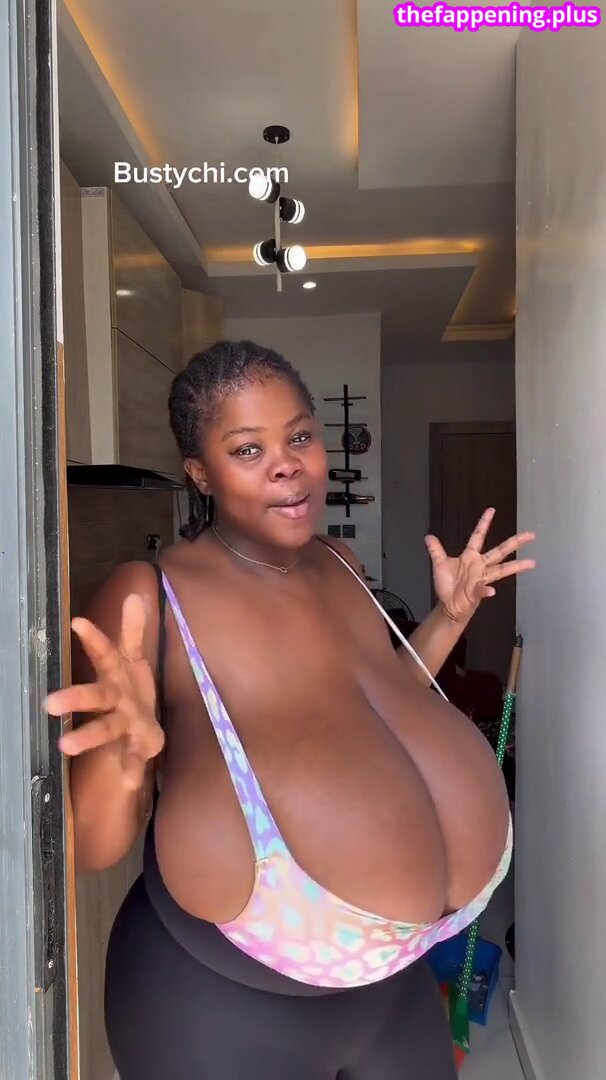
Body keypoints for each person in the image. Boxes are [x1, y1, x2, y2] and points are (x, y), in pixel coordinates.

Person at [45, 340, 536, 1079]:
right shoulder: (149, 596)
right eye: (248, 449)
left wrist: (450, 616)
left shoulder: (339, 563)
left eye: (299, 436)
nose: (287, 465)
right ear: (200, 471)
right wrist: (123, 761)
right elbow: (91, 849)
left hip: (393, 990)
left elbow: (385, 706)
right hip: (217, 1006)